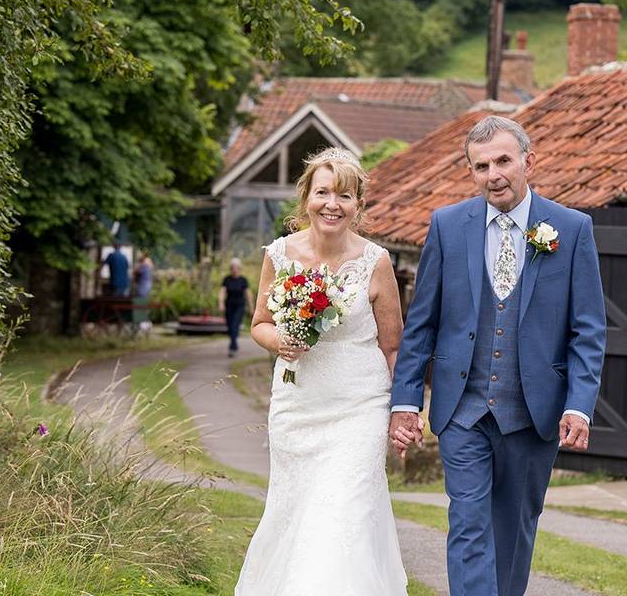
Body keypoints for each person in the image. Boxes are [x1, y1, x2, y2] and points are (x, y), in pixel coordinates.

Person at [389, 115, 606, 596]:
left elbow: (588, 329)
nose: (494, 174)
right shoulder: (447, 226)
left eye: (503, 161)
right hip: (462, 409)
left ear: (529, 161)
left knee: (514, 528)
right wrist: (405, 401)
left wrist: (578, 404)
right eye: (481, 166)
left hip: (534, 412)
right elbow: (421, 322)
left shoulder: (571, 229)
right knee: (468, 523)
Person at [235, 148, 408, 595]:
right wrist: (280, 341)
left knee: (343, 515)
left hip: (359, 408)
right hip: (299, 407)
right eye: (323, 192)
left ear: (358, 206)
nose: (333, 204)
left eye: (345, 196)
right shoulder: (280, 255)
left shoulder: (376, 262)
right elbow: (259, 324)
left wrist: (406, 411)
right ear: (306, 197)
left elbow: (393, 347)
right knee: (296, 513)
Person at [218, 258, 253, 358]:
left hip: (239, 306)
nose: (235, 269)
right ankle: (234, 343)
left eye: (237, 267)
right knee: (230, 328)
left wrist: (251, 307)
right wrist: (221, 303)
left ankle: (233, 347)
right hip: (229, 306)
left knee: (234, 326)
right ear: (230, 268)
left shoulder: (243, 280)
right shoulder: (227, 279)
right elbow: (222, 291)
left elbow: (248, 294)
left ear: (239, 268)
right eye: (233, 267)